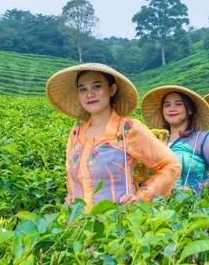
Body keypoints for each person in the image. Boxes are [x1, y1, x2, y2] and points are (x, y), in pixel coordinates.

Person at [45, 63, 180, 209]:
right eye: (83, 89)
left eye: (97, 87)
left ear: (112, 89)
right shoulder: (75, 133)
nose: (90, 94)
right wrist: (71, 195)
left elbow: (171, 165)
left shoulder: (127, 129)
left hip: (116, 225)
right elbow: (70, 174)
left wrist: (142, 197)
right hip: (78, 226)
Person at [141, 85, 209, 193]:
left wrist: (196, 189)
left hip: (190, 205)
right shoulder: (156, 141)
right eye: (167, 105)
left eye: (178, 104)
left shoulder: (202, 139)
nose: (172, 109)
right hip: (153, 207)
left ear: (189, 109)